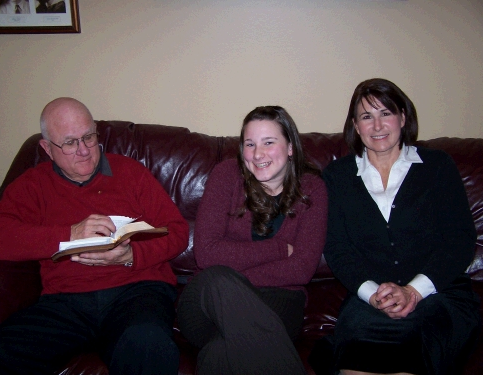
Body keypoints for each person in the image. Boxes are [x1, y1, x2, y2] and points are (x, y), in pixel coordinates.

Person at [0, 97, 189, 375]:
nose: (83, 150)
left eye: (89, 137)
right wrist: (68, 234)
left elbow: (177, 232)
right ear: (47, 148)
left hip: (137, 292)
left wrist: (131, 256)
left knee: (147, 342)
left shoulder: (130, 173)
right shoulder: (33, 185)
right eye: (69, 142)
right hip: (66, 302)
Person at [309, 78, 480, 375]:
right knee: (356, 359)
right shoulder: (337, 177)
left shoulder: (438, 166)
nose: (377, 125)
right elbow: (337, 249)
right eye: (366, 116)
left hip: (438, 294)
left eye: (385, 113)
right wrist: (374, 293)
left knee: (412, 354)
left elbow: (460, 240)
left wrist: (413, 292)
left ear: (402, 117)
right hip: (370, 299)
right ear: (356, 126)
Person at [177, 106, 328, 374]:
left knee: (219, 354)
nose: (258, 154)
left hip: (279, 300)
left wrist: (236, 273)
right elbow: (206, 255)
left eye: (269, 142)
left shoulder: (312, 188)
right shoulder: (226, 175)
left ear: (290, 147)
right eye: (250, 144)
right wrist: (280, 249)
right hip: (207, 303)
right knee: (217, 279)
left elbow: (302, 269)